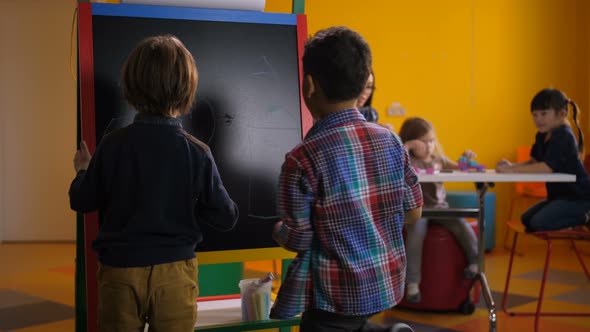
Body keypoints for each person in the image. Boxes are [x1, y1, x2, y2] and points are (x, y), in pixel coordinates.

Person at [69, 35, 238, 331]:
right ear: (187, 88)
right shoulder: (197, 152)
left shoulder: (112, 145)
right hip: (175, 273)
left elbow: (81, 201)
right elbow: (226, 217)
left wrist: (83, 171)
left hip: (120, 271)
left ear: (132, 85)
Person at [269, 26, 423, 332]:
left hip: (333, 294)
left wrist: (278, 231)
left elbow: (298, 238)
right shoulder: (390, 141)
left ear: (309, 84)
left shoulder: (302, 159)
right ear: (364, 83)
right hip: (383, 283)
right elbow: (414, 212)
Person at [398, 117, 479, 303]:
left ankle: (475, 261)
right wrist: (408, 146)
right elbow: (393, 165)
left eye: (432, 140)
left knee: (460, 224)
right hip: (418, 210)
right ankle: (412, 283)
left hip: (440, 208)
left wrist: (465, 159)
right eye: (423, 142)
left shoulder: (438, 160)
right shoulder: (407, 161)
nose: (429, 145)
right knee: (415, 235)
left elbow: (461, 169)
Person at [496, 88, 590, 232]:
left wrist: (512, 169)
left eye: (544, 114)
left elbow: (547, 167)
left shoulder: (563, 135)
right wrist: (511, 165)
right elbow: (533, 162)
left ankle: (585, 216)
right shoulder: (542, 135)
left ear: (562, 114)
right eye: (535, 115)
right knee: (526, 220)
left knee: (537, 223)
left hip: (577, 198)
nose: (538, 119)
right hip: (558, 196)